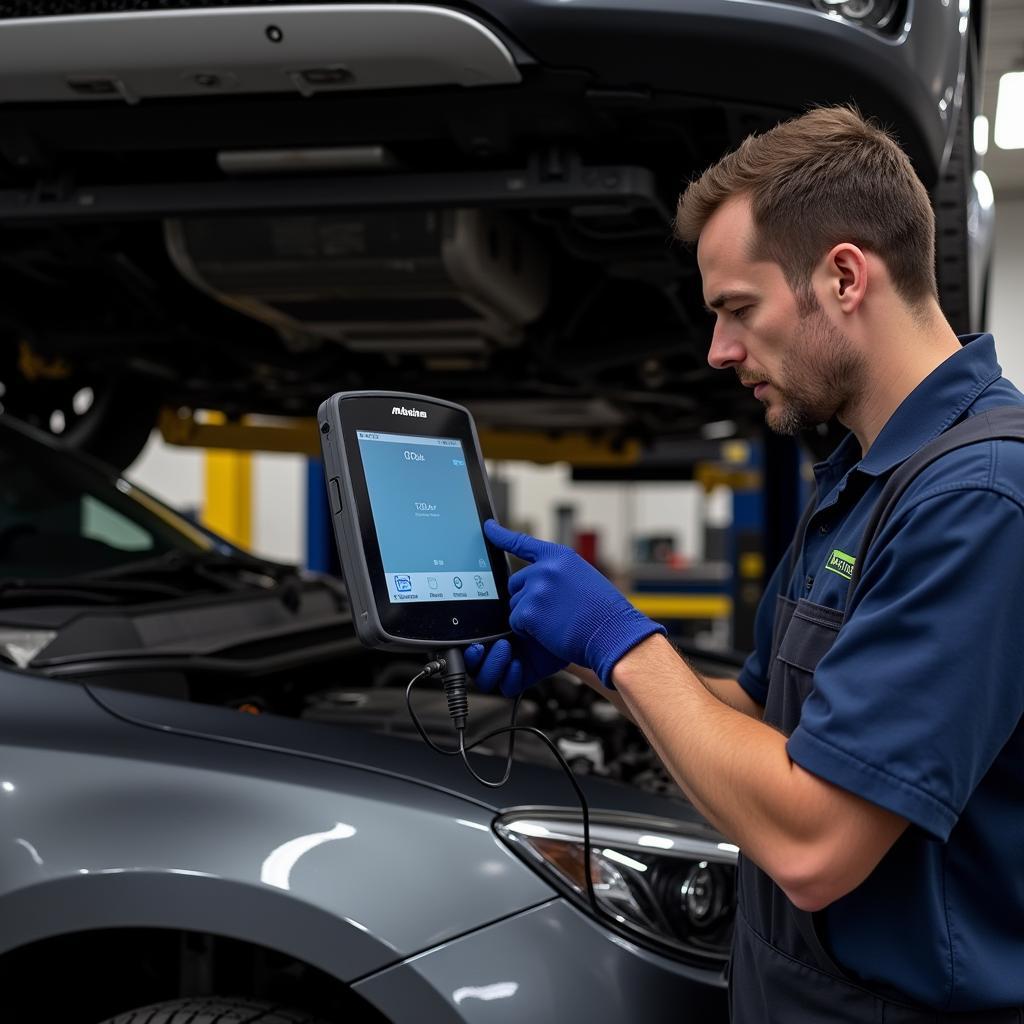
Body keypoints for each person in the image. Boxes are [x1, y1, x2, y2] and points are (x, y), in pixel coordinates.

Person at [465, 105, 1024, 1022]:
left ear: (845, 276)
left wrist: (620, 641)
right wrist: (581, 655)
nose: (720, 351)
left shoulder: (981, 499)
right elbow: (771, 717)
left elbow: (814, 843)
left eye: (738, 309)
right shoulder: (864, 476)